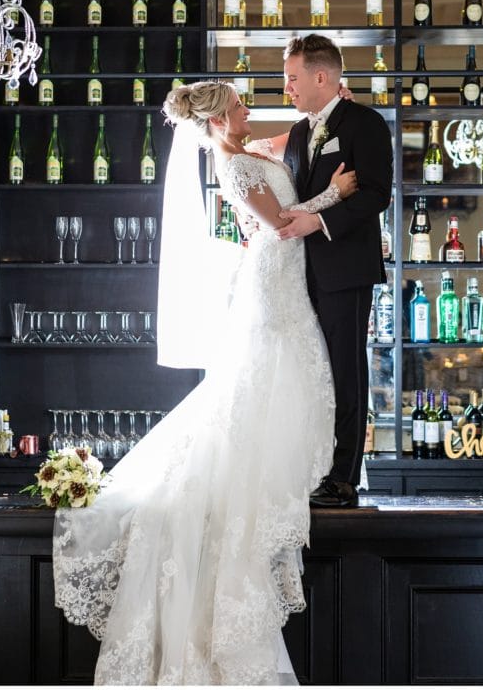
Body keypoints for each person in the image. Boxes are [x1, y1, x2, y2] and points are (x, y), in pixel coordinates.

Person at [52, 80, 357, 686]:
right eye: (241, 104)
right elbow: (282, 224)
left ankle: (306, 468)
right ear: (219, 120)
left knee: (290, 375)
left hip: (282, 280)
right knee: (266, 376)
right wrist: (336, 193)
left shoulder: (246, 152)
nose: (250, 109)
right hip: (274, 278)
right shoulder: (235, 166)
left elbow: (288, 143)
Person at [279, 35, 393, 507]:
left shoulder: (364, 122)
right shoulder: (302, 132)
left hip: (345, 269)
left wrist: (320, 219)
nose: (287, 88)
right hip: (299, 273)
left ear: (321, 76)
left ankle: (343, 477)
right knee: (314, 375)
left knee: (346, 373)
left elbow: (375, 194)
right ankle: (314, 467)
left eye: (291, 77)